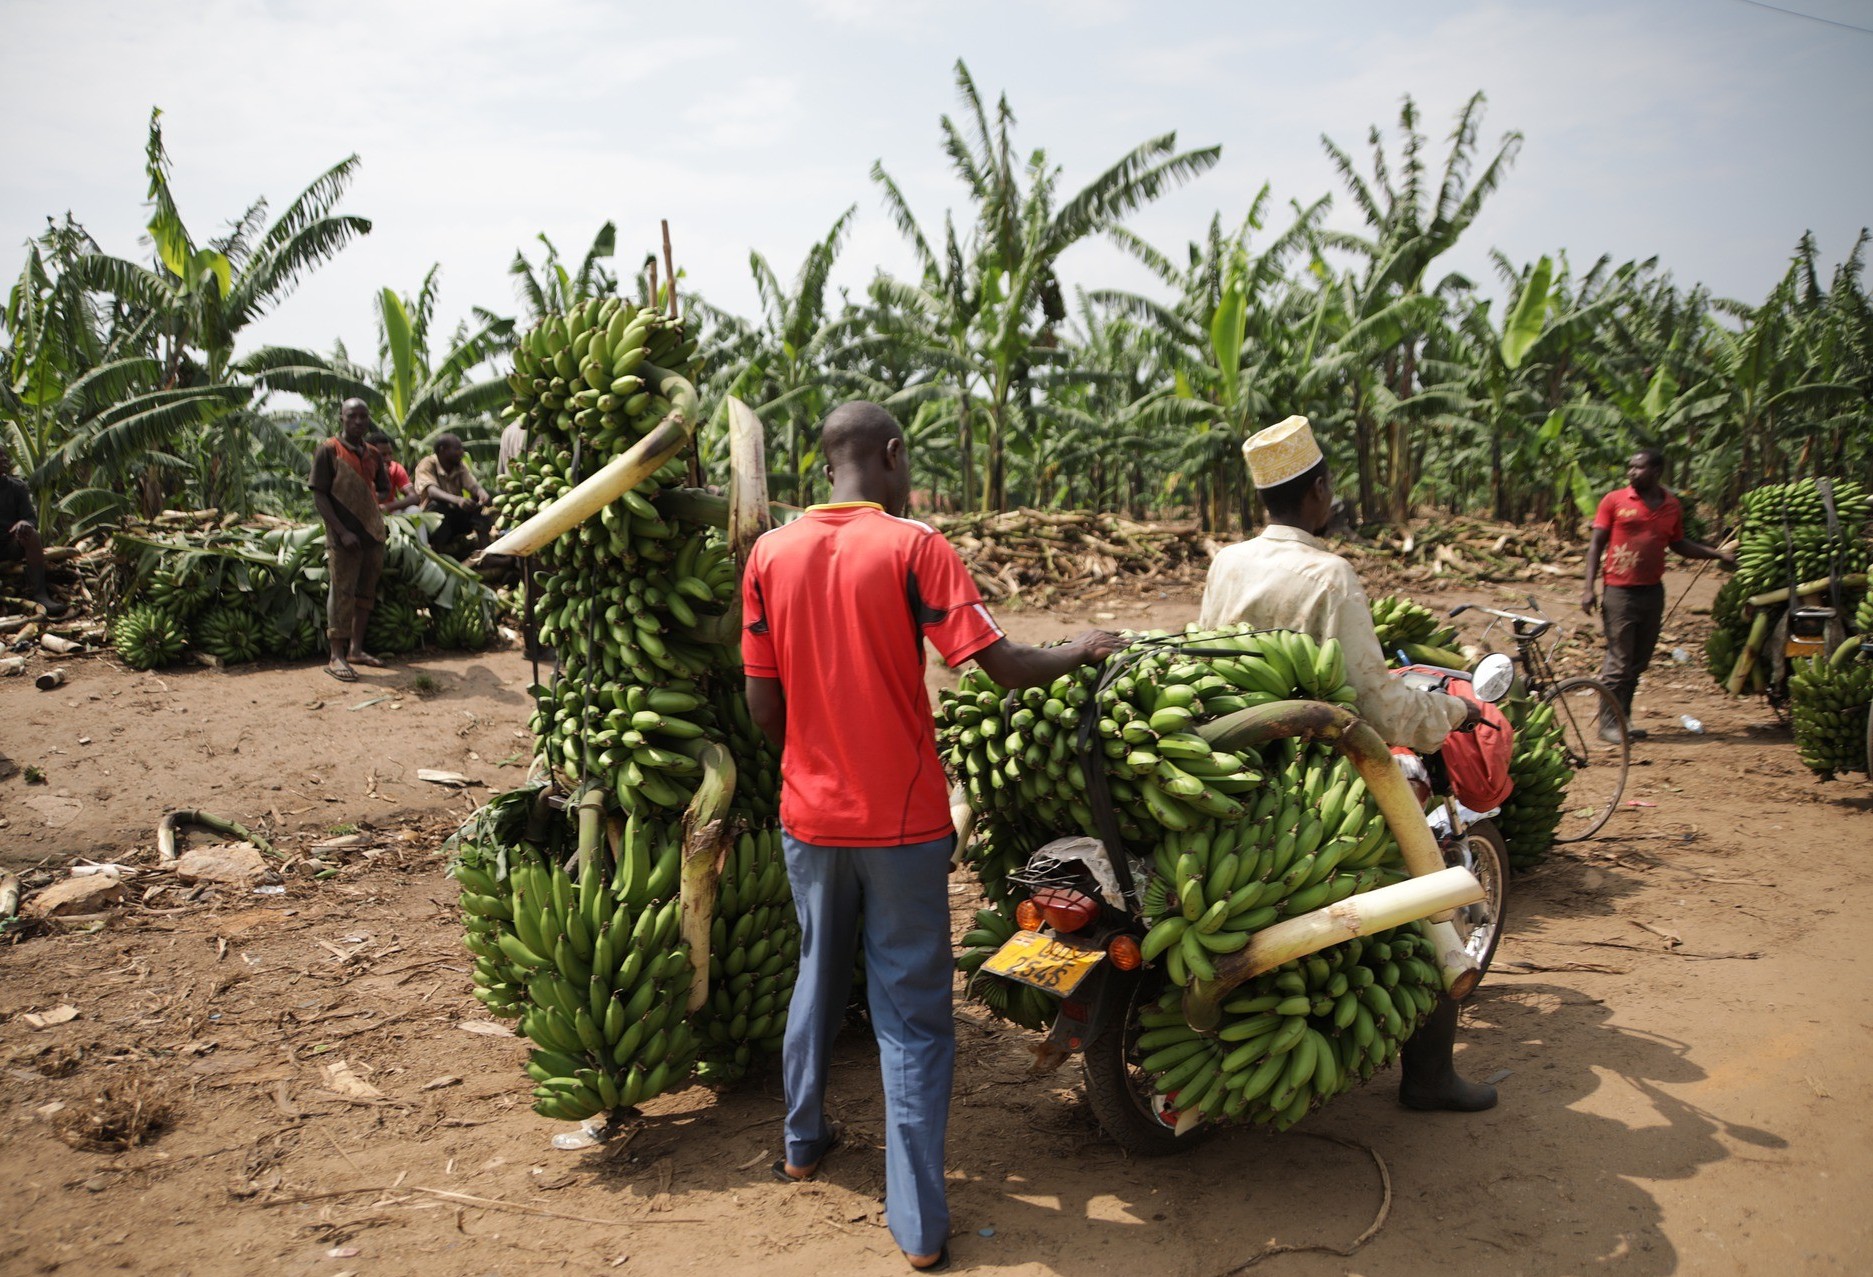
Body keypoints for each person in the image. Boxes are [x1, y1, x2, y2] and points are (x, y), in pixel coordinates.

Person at [743, 401, 1124, 1273]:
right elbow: (996, 664)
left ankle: (802, 1143)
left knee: (814, 972)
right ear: (891, 453)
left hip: (808, 816)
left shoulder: (768, 553)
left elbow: (765, 705)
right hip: (903, 820)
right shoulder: (915, 546)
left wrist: (812, 759)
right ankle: (915, 1224)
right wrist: (1078, 647)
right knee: (911, 1017)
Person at [1198, 415, 1496, 1113]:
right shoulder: (1327, 575)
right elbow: (1378, 703)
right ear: (1317, 492)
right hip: (1321, 777)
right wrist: (1452, 713)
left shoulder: (1227, 562)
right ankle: (1428, 1076)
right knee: (1430, 887)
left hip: (1231, 766)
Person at [1581, 448, 1734, 741]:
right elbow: (1595, 546)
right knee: (1619, 661)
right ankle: (1608, 724)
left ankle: (1623, 720)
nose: (1631, 472)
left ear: (1655, 472)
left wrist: (1717, 555)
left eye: (1638, 468)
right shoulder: (1614, 500)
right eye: (1630, 467)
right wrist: (1589, 588)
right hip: (1619, 591)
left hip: (1652, 592)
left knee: (1638, 661)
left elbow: (1678, 544)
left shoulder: (1671, 505)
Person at [310, 399, 391, 682]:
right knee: (342, 590)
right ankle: (336, 655)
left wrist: (369, 508)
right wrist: (342, 530)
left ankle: (356, 649)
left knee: (365, 592)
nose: (358, 421)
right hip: (343, 535)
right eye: (352, 416)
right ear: (341, 418)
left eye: (363, 416)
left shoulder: (372, 453)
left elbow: (383, 489)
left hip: (371, 534)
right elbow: (319, 494)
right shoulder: (329, 450)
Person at [1, 447, 66, 618]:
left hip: (9, 545)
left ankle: (40, 594)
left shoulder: (17, 488)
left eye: (4, 457)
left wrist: (24, 523)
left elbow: (31, 519)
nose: (4, 461)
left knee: (31, 535)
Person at [413, 433, 493, 555]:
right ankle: (439, 553)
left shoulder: (459, 466)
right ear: (442, 450)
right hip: (432, 521)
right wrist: (458, 500)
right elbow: (432, 491)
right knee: (437, 507)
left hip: (455, 517)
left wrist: (482, 493)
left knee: (479, 511)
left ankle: (486, 556)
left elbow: (473, 486)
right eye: (457, 449)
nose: (461, 452)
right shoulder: (427, 464)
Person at [367, 429, 419, 511]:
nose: (388, 458)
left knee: (414, 510)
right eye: (383, 455)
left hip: (391, 511)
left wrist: (387, 507)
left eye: (390, 454)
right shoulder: (362, 468)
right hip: (367, 511)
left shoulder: (396, 468)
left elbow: (414, 497)